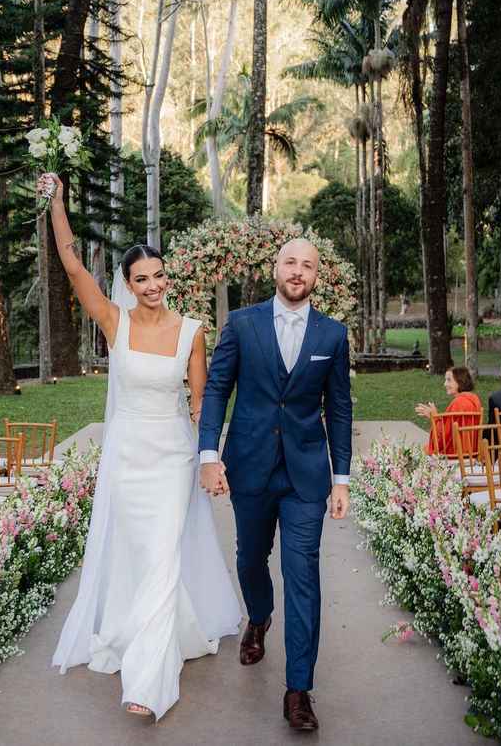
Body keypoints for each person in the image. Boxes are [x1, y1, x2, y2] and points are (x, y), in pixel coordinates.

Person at [40, 174, 241, 721]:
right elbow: (73, 265)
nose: (152, 285)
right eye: (141, 278)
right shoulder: (114, 322)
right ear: (128, 284)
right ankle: (151, 631)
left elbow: (201, 405)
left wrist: (210, 458)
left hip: (173, 457)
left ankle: (150, 681)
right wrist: (58, 204)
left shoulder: (192, 331)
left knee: (162, 555)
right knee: (139, 554)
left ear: (166, 276)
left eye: (158, 275)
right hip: (127, 457)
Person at [198, 238, 352, 734]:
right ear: (275, 268)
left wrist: (341, 478)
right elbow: (218, 387)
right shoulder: (242, 324)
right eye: (291, 262)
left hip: (306, 474)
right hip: (251, 466)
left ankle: (298, 689)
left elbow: (341, 408)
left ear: (316, 276)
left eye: (308, 265)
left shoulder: (333, 334)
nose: (298, 271)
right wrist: (208, 455)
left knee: (303, 572)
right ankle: (258, 617)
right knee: (249, 558)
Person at [415, 366, 482, 456]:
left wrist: (434, 417)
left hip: (455, 452)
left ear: (460, 381)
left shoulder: (458, 403)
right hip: (472, 450)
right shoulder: (474, 399)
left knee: (419, 451)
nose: (445, 384)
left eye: (449, 380)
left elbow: (444, 437)